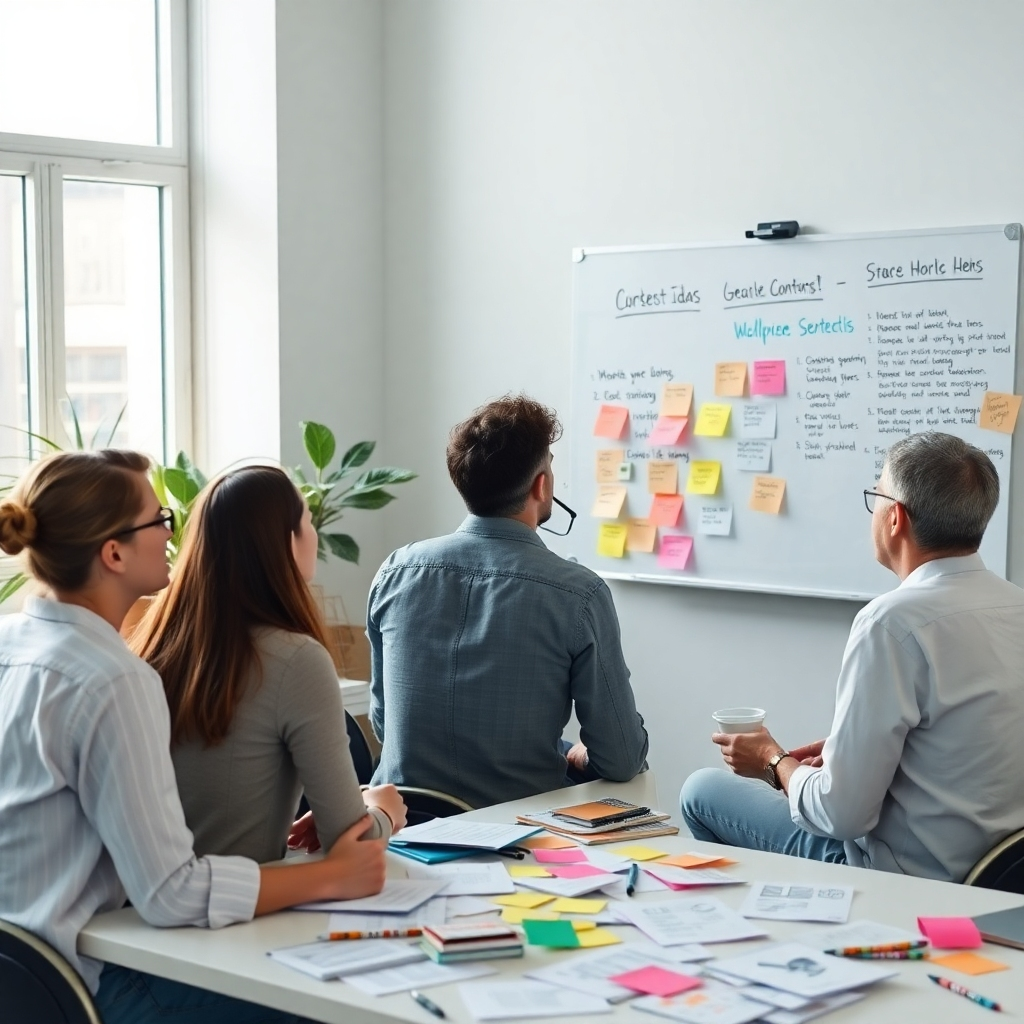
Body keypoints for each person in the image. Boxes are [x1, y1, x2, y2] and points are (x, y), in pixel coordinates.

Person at [0, 450, 388, 1024]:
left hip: (23, 976)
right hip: (91, 983)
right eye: (157, 518)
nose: (169, 531)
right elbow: (171, 895)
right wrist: (329, 876)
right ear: (113, 552)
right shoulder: (112, 679)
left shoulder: (16, 642)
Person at [680, 431, 1024, 883]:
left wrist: (773, 760)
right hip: (1000, 872)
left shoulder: (891, 622)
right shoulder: (1014, 605)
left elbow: (840, 815)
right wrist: (850, 749)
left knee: (701, 791)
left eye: (876, 495)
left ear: (895, 517)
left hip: (905, 878)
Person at [368, 394, 649, 808]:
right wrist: (585, 753)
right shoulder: (579, 594)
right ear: (542, 485)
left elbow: (384, 723)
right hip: (517, 837)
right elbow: (622, 759)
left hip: (403, 828)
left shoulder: (395, 571)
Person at [130, 466, 405, 863]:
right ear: (288, 543)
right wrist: (383, 811)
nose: (313, 534)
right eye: (308, 522)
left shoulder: (152, 648)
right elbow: (352, 842)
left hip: (140, 909)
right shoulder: (296, 660)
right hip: (244, 909)